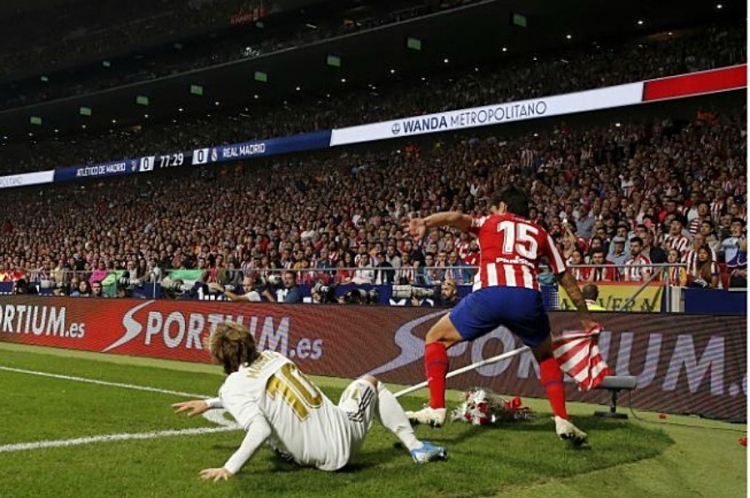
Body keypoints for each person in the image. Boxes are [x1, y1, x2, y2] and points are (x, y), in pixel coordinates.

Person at [403, 186, 599, 445]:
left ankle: (437, 407)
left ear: (503, 207)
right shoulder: (541, 233)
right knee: (546, 354)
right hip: (527, 299)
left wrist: (425, 222)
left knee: (435, 338)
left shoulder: (488, 222)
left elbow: (454, 217)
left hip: (489, 295)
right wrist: (585, 316)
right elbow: (565, 277)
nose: (490, 212)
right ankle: (562, 418)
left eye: (493, 208)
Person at [172, 322, 447, 481]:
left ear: (220, 356)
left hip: (332, 449)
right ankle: (415, 446)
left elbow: (259, 428)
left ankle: (415, 446)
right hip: (340, 437)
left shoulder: (233, 387)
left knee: (270, 430)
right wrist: (210, 403)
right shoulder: (274, 357)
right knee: (369, 382)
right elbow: (252, 388)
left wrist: (229, 468)